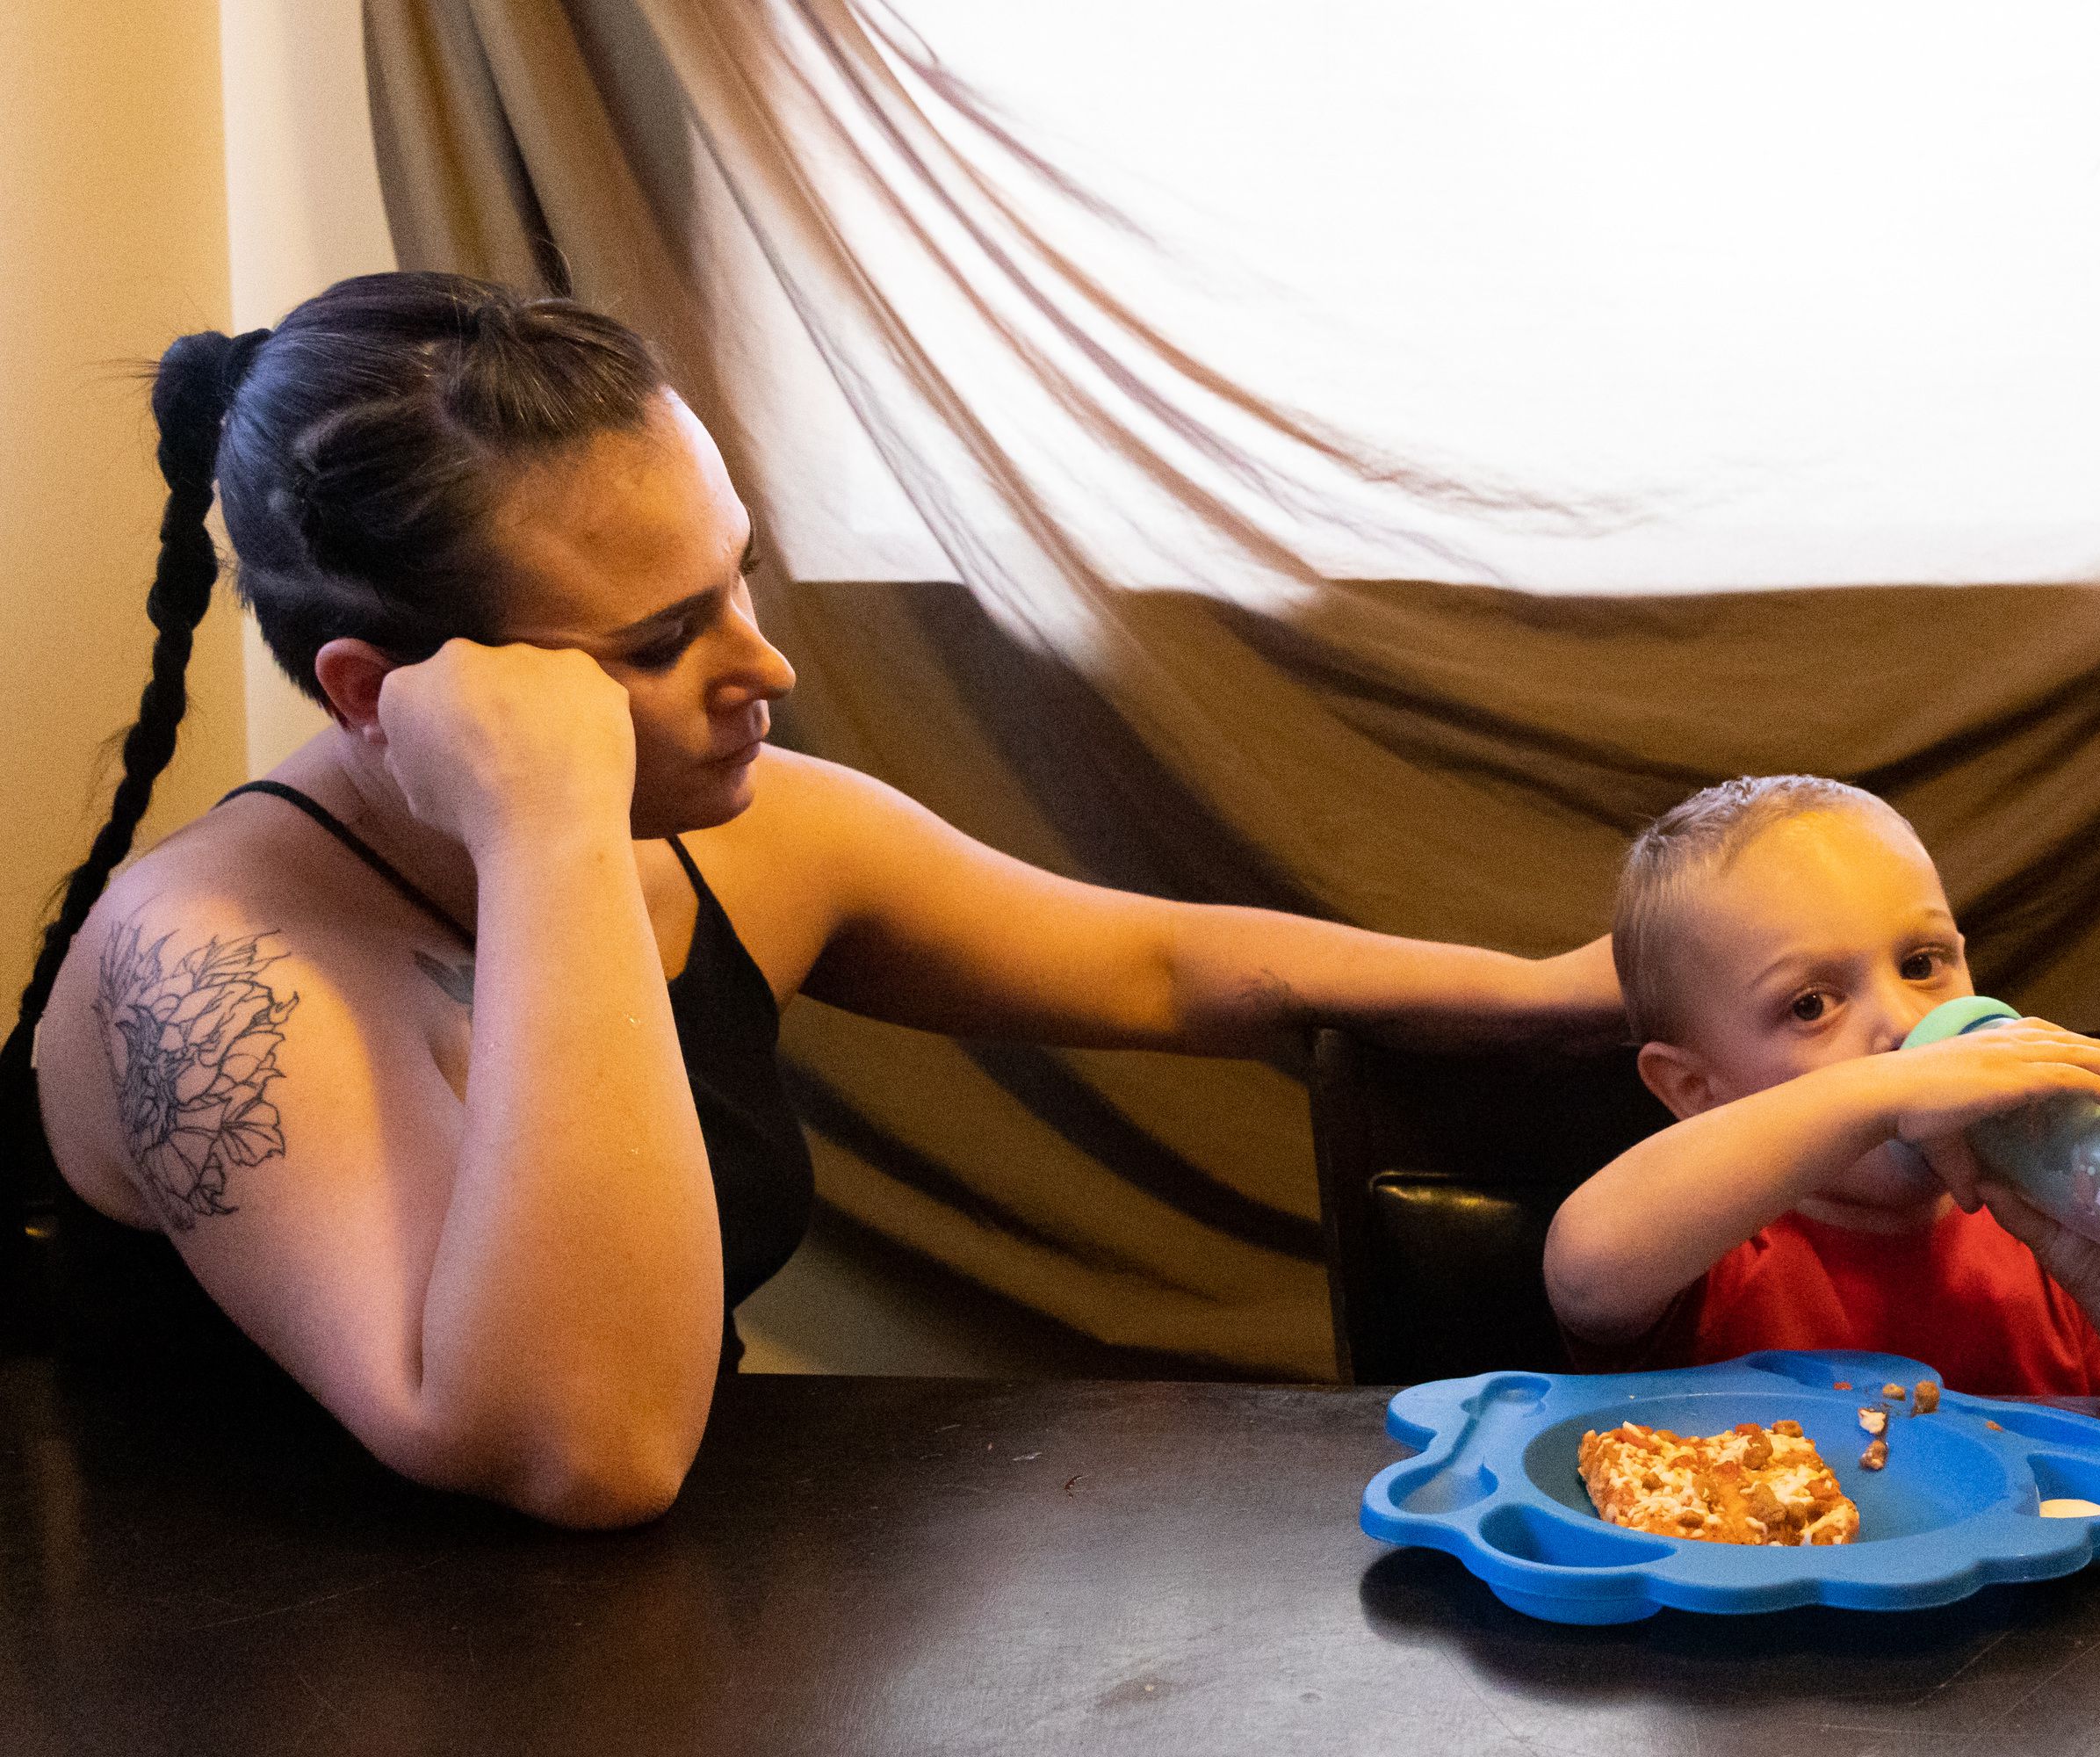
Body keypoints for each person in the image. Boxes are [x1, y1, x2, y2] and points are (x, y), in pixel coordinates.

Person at [9, 271, 1621, 1527]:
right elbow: (590, 1446)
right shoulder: (208, 968)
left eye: (740, 575)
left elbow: (1161, 964)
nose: (764, 665)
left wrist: (1570, 989)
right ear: (383, 693)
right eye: (657, 644)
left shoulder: (740, 836)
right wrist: (548, 831)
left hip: (625, 1646)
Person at [1543, 774, 2100, 1398]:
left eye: (1923, 964)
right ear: (1700, 1091)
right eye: (1811, 1006)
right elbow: (1585, 1269)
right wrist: (1887, 1092)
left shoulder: (2045, 1229)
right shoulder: (1705, 1252)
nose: (1903, 1023)